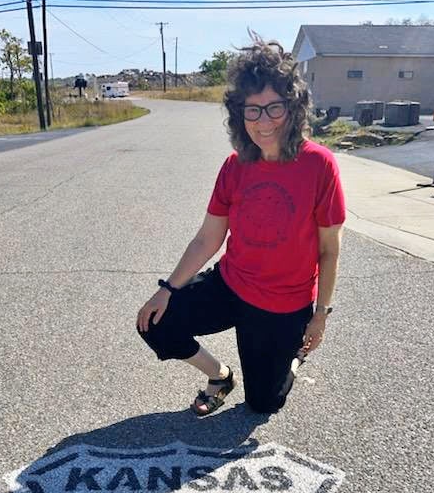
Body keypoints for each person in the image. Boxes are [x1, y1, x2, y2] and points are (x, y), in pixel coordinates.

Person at [137, 35, 346, 416]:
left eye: (274, 108)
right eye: (253, 111)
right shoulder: (235, 167)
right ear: (240, 114)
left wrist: (320, 315)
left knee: (263, 404)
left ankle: (293, 358)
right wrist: (167, 290)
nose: (263, 122)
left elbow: (329, 249)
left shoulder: (320, 166)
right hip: (233, 286)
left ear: (294, 107)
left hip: (285, 304)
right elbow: (207, 238)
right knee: (155, 321)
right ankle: (219, 377)